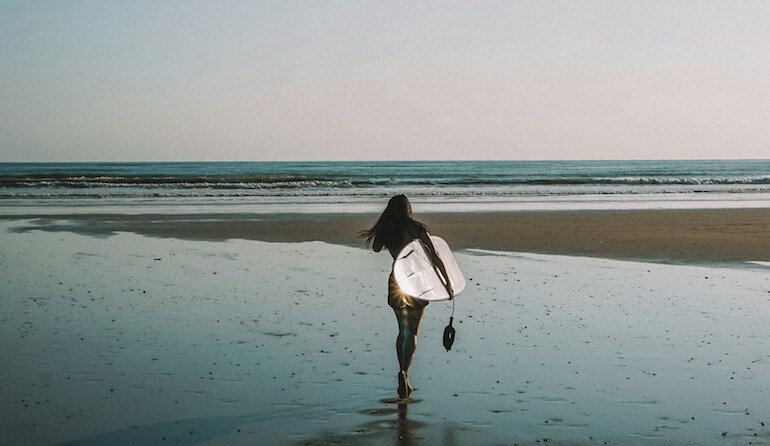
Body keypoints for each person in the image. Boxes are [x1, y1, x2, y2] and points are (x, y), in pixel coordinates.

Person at [362, 194, 452, 398]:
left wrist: (384, 226)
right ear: (408, 209)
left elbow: (376, 248)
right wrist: (448, 283)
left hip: (396, 281)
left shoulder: (388, 230)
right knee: (412, 332)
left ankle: (402, 372)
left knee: (402, 330)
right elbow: (435, 256)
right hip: (416, 283)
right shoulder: (417, 228)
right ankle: (405, 372)